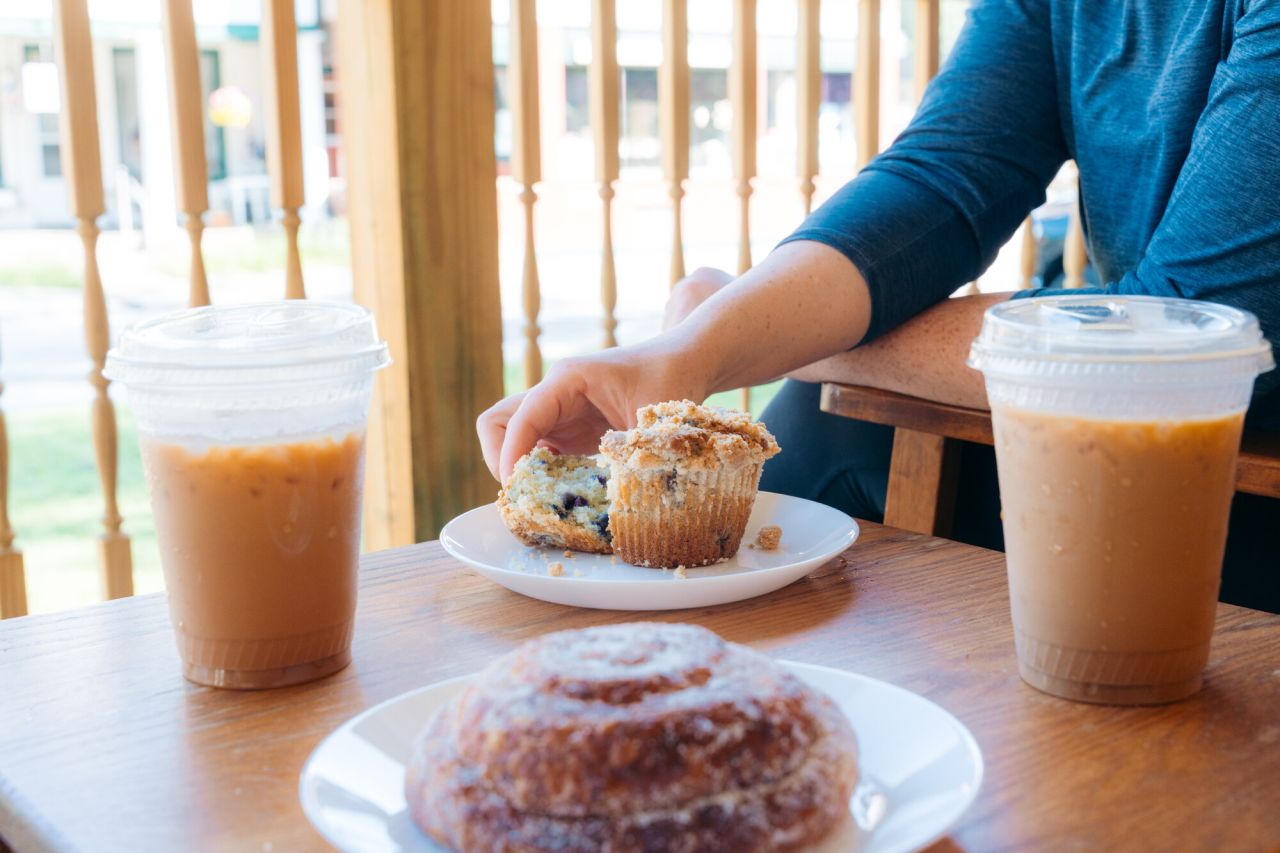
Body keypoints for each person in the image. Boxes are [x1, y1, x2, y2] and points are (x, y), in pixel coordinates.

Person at [478, 0, 1280, 613]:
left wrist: (743, 333)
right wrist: (694, 349)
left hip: (1236, 482)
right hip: (1133, 465)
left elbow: (1189, 332)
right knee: (832, 426)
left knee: (826, 427)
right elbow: (946, 177)